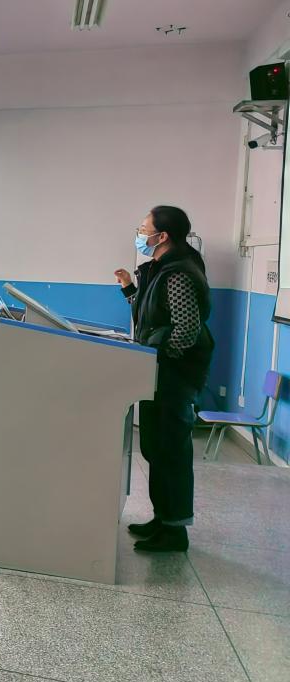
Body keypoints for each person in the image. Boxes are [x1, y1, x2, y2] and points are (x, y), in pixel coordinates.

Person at [116, 206, 214, 553]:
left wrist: (157, 360)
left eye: (144, 229)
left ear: (163, 236)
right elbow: (150, 315)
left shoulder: (179, 273)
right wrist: (129, 289)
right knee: (156, 448)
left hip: (172, 376)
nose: (140, 234)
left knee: (170, 452)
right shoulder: (160, 269)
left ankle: (175, 531)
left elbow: (185, 330)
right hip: (158, 371)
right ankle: (163, 518)